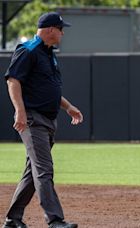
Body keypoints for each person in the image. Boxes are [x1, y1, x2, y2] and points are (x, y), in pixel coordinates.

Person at [2, 12, 82, 228]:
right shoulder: (28, 51)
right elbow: (13, 81)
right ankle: (55, 220)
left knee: (33, 172)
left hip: (47, 120)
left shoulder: (49, 54)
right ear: (50, 30)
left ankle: (12, 220)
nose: (63, 33)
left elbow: (49, 89)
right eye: (61, 29)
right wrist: (20, 111)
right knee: (44, 170)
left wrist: (68, 107)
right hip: (32, 119)